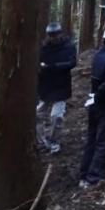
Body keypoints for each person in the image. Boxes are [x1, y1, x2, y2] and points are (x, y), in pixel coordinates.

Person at [79, 23, 105, 188]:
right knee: (103, 141)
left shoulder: (99, 55)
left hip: (94, 103)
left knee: (92, 140)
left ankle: (84, 174)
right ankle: (94, 177)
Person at [36, 22, 77, 154]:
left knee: (56, 116)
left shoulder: (68, 46)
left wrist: (53, 67)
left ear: (60, 33)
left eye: (55, 34)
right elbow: (37, 63)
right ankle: (42, 141)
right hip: (45, 86)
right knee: (38, 114)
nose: (53, 37)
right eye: (50, 35)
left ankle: (54, 141)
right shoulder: (44, 47)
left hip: (61, 86)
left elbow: (72, 63)